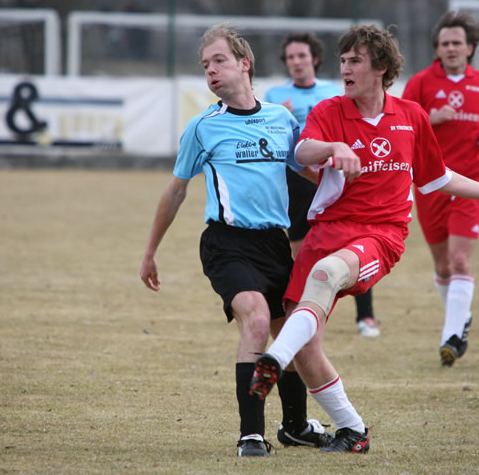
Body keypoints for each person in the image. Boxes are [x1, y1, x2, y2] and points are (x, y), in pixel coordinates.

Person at [248, 24, 479, 453]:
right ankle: (353, 430)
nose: (345, 67)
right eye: (342, 60)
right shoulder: (329, 111)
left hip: (382, 235)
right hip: (327, 231)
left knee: (324, 275)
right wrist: (331, 150)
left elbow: (438, 179)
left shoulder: (411, 116)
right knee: (304, 344)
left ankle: (272, 361)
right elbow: (302, 152)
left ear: (380, 67)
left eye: (355, 60)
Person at [139, 24, 334, 457]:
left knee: (291, 336)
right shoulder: (203, 127)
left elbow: (306, 173)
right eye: (205, 65)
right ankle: (251, 434)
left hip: (274, 245)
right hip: (226, 244)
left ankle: (297, 426)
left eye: (219, 60)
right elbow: (175, 190)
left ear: (244, 63)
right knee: (258, 319)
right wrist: (150, 252)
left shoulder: (281, 118)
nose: (210, 70)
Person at [401, 11, 479, 366]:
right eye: (444, 43)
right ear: (437, 48)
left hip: (472, 182)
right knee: (444, 267)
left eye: (456, 43)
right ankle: (460, 318)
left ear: (470, 47)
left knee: (461, 260)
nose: (450, 48)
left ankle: (450, 336)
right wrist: (432, 118)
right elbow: (401, 125)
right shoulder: (420, 83)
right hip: (430, 184)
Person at [264, 31, 381, 338]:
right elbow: (269, 137)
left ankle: (365, 318)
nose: (296, 62)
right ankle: (306, 310)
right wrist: (280, 119)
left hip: (336, 175)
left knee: (355, 242)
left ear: (314, 58)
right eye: (290, 57)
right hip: (296, 178)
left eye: (302, 56)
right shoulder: (275, 97)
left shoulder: (335, 91)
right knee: (302, 249)